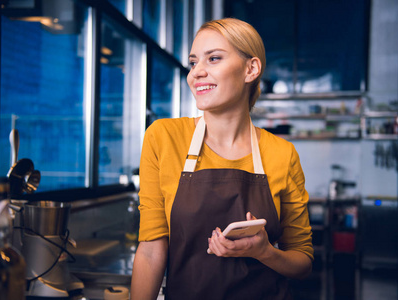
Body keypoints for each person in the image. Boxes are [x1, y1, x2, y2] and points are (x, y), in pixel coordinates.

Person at [130, 18, 313, 300]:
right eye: (193, 63)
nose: (195, 73)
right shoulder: (164, 138)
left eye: (213, 58)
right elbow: (152, 250)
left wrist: (265, 252)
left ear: (251, 69)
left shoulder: (282, 154)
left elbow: (302, 262)